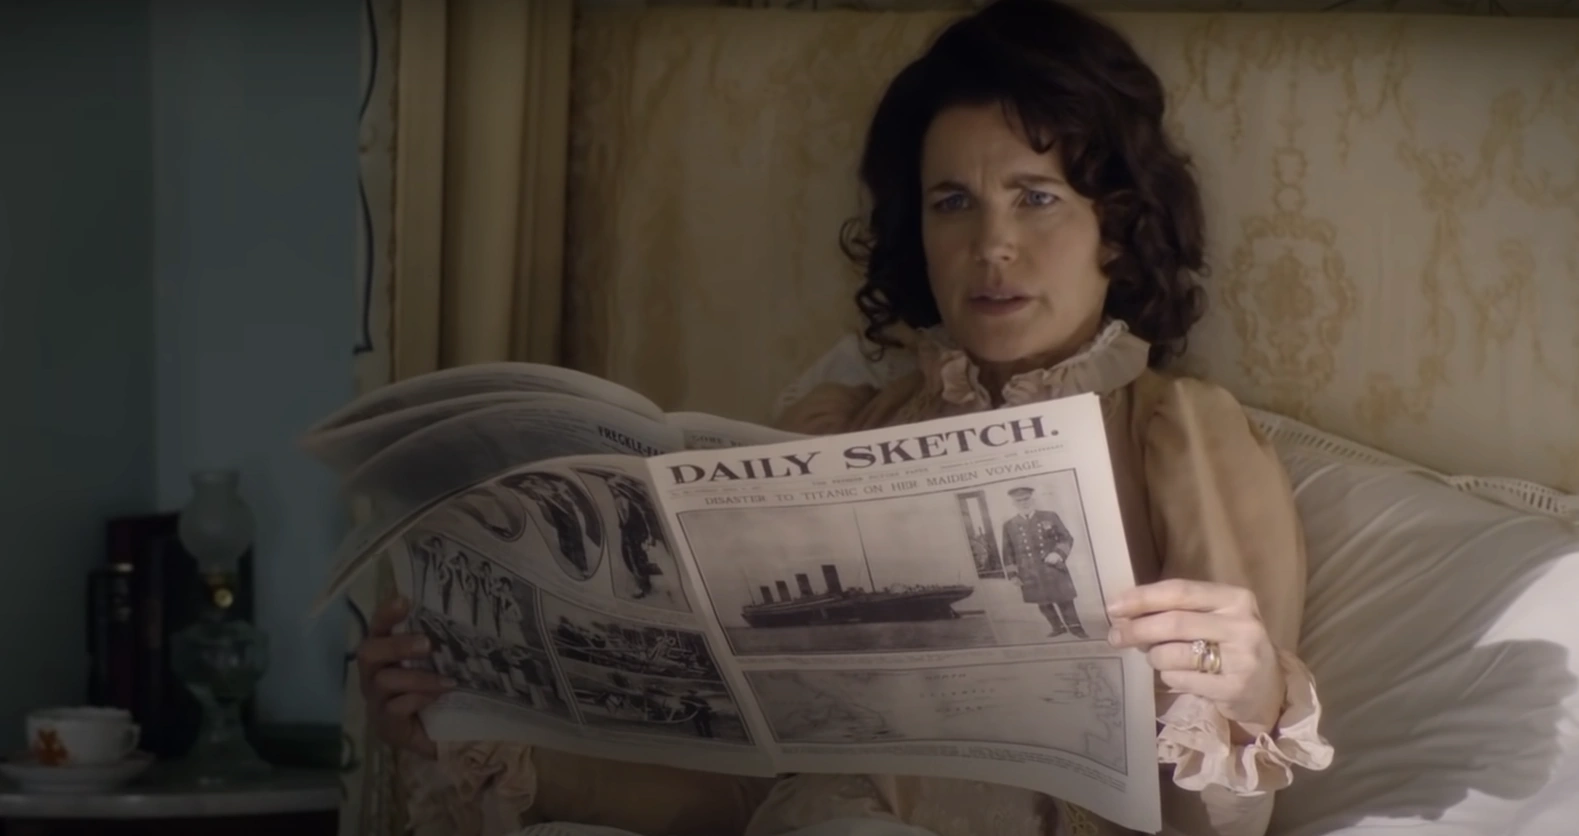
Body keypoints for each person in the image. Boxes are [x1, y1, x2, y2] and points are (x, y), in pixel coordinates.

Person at [353, 1, 1334, 835]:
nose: (991, 244)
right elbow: (744, 782)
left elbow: (1226, 813)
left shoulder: (1178, 432)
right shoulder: (848, 429)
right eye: (951, 202)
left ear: (1114, 227)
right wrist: (473, 728)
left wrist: (1251, 692)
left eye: (1035, 198)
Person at [1000, 485, 1085, 638]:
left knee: (1064, 598)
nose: (1023, 503)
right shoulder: (1009, 525)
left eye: (1026, 499)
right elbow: (1008, 552)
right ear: (1013, 503)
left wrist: (1058, 553)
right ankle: (1057, 627)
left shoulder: (1049, 516)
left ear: (1032, 499)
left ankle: (1076, 628)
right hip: (1029, 571)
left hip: (1052, 567)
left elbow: (1066, 538)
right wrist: (1013, 574)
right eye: (1019, 501)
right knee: (1042, 601)